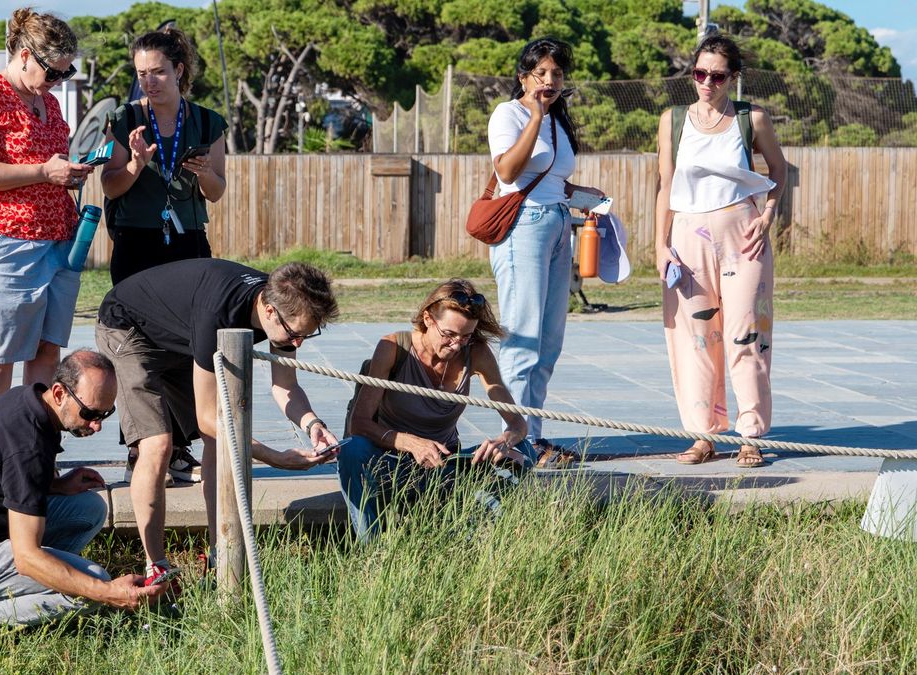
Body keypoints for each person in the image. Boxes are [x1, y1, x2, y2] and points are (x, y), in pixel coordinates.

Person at [94, 259, 339, 583]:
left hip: (177, 335)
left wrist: (313, 424)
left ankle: (219, 553)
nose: (297, 344)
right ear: (268, 310)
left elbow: (285, 385)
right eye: (295, 335)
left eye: (307, 335)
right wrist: (274, 458)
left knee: (218, 440)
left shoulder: (284, 305)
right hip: (127, 328)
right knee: (158, 444)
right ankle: (157, 567)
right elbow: (208, 418)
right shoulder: (219, 313)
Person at [0, 350, 168, 649]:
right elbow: (27, 558)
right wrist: (106, 592)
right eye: (90, 413)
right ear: (59, 392)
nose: (97, 425)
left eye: (105, 415)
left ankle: (29, 591)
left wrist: (56, 485)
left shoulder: (31, 401)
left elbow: (6, 478)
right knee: (91, 584)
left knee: (88, 509)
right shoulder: (26, 447)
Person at [99, 27, 229, 481]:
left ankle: (177, 446)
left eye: (157, 72)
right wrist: (133, 164)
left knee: (185, 344)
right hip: (136, 242)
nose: (148, 83)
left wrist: (205, 171)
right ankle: (143, 443)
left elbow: (216, 193)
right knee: (135, 348)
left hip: (188, 242)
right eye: (141, 74)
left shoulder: (208, 122)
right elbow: (110, 186)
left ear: (179, 70)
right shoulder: (123, 117)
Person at [0, 8, 93, 422]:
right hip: (1, 238)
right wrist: (44, 170)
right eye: (53, 72)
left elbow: (45, 164)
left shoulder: (47, 100)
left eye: (66, 74)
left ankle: (33, 449)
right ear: (25, 54)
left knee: (48, 351)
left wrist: (66, 174)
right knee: (0, 356)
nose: (57, 82)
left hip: (56, 240)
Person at [654, 34, 785, 468]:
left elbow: (779, 171)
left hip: (743, 237)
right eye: (700, 73)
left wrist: (767, 215)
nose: (707, 82)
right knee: (694, 340)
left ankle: (750, 434)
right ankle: (702, 434)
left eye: (717, 75)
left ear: (734, 78)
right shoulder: (673, 120)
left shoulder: (752, 118)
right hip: (688, 239)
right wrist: (660, 244)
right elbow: (665, 185)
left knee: (747, 333)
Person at [338, 280, 532, 540]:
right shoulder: (393, 348)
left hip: (443, 463)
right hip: (393, 461)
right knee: (352, 450)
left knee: (523, 453)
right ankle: (371, 548)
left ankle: (469, 539)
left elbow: (518, 424)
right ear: (428, 319)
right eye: (449, 334)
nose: (457, 345)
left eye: (466, 336)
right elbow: (359, 424)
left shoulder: (477, 353)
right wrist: (412, 444)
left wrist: (504, 441)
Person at [487, 37, 605, 460]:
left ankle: (531, 434)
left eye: (557, 73)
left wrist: (579, 193)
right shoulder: (510, 114)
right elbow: (507, 169)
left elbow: (550, 176)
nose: (551, 80)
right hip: (524, 227)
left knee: (549, 341)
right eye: (542, 73)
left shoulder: (558, 120)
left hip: (558, 224)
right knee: (522, 338)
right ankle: (514, 441)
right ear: (524, 77)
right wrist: (535, 116)